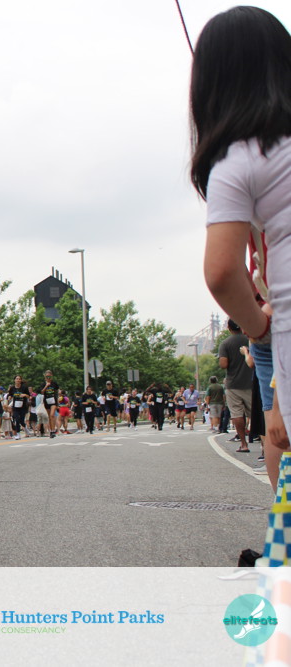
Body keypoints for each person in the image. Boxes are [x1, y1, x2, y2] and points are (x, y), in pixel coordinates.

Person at [192, 7, 291, 481]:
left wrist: (258, 327)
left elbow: (221, 272)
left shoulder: (240, 159)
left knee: (280, 439)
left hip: (282, 321)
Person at [217, 320, 255, 452]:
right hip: (251, 383)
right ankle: (264, 446)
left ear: (229, 327)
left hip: (233, 384)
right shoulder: (250, 340)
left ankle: (243, 444)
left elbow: (223, 364)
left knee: (237, 414)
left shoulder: (225, 343)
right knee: (256, 414)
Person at [8, 375, 30, 440]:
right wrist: (9, 397)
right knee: (17, 420)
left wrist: (24, 395)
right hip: (15, 407)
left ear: (21, 380)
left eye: (19, 379)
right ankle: (18, 434)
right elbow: (10, 395)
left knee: (21, 420)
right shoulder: (12, 388)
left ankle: (25, 428)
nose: (18, 380)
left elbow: (29, 396)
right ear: (14, 380)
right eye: (16, 379)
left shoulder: (24, 387)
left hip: (23, 406)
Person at [40, 370, 59, 438]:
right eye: (47, 376)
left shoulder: (54, 383)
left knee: (52, 415)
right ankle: (51, 430)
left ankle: (53, 430)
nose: (48, 378)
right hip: (47, 401)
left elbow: (57, 391)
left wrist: (58, 402)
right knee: (49, 416)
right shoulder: (43, 384)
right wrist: (46, 386)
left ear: (51, 376)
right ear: (45, 377)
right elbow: (42, 392)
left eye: (49, 376)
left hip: (53, 401)